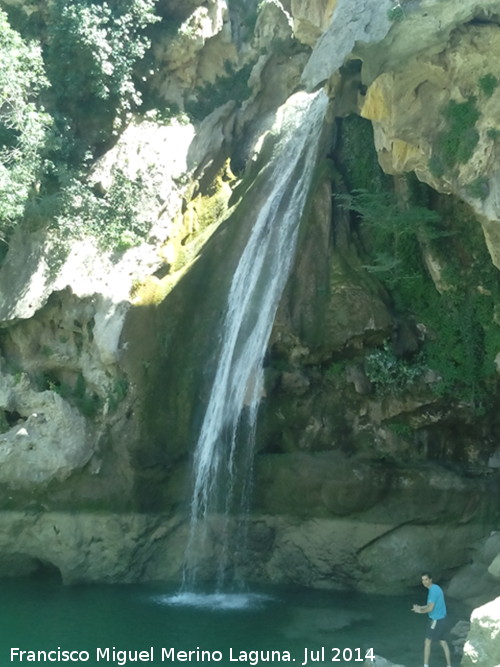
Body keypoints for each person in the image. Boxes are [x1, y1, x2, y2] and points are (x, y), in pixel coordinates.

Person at [411, 572, 452, 667]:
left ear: (430, 579)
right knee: (443, 642)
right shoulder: (435, 588)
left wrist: (419, 611)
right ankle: (449, 665)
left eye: (426, 579)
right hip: (443, 619)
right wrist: (420, 607)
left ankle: (425, 665)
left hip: (436, 620)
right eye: (422, 580)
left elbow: (430, 609)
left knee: (427, 642)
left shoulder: (433, 592)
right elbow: (430, 605)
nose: (424, 582)